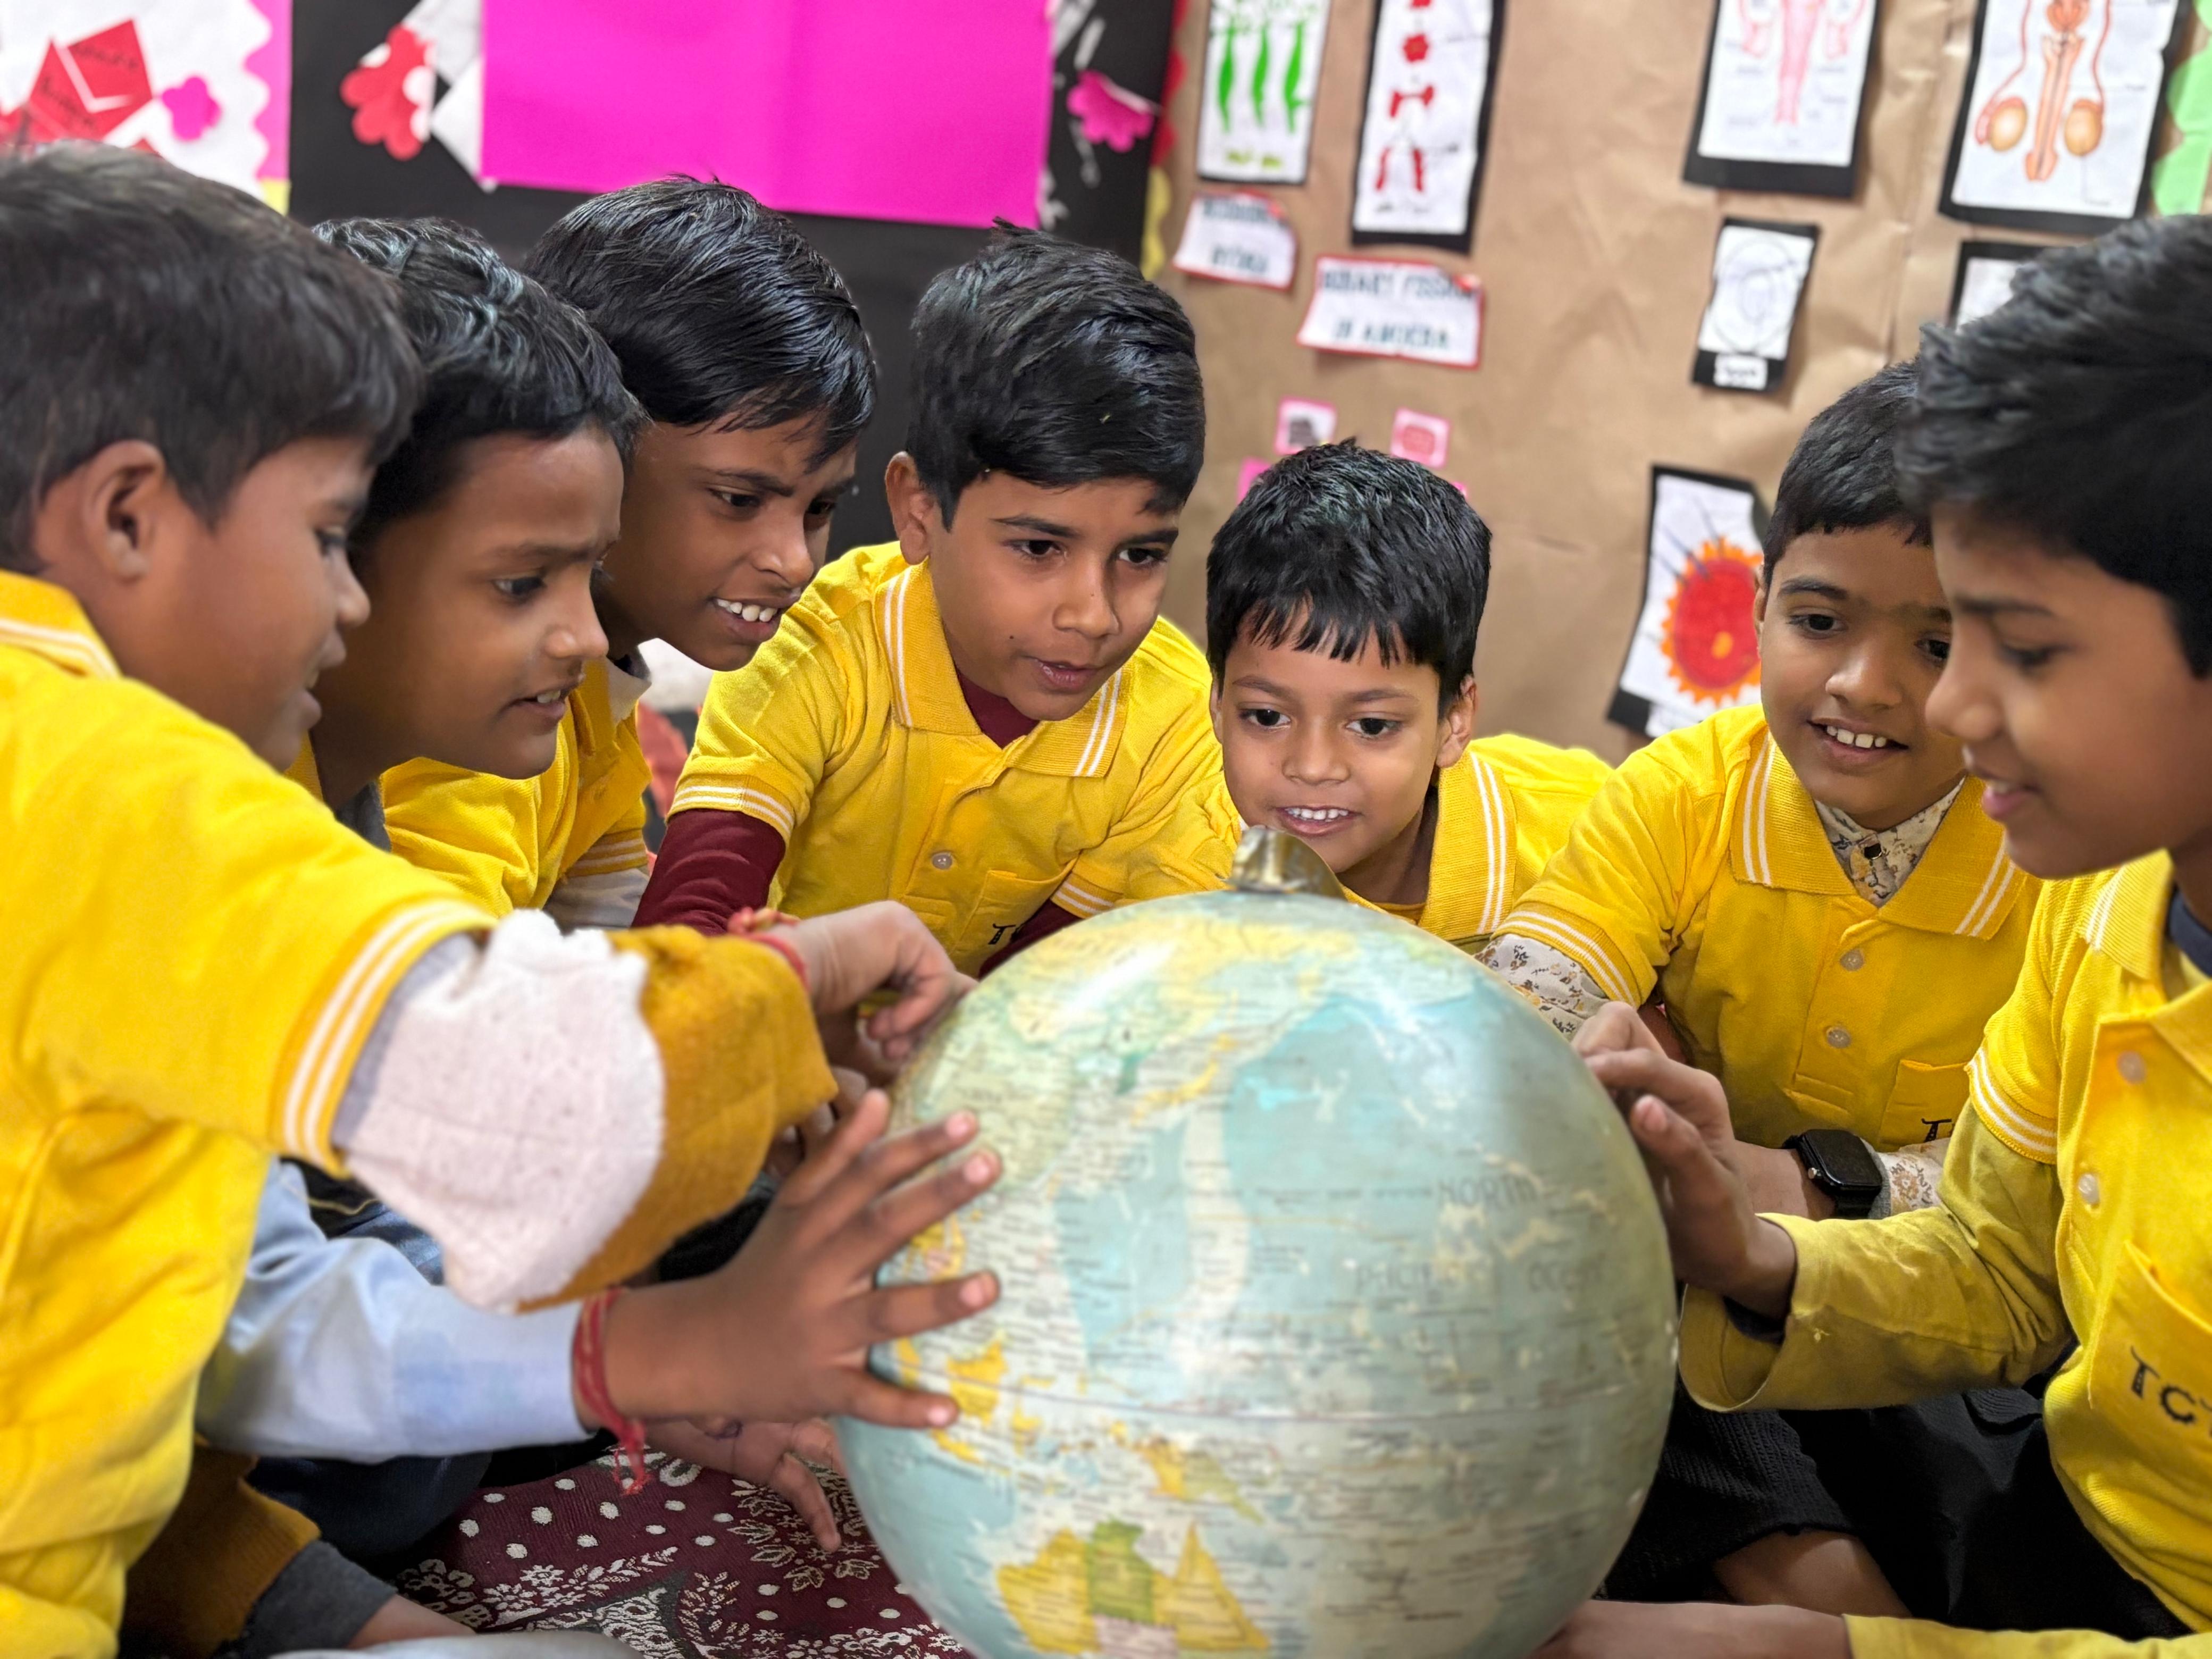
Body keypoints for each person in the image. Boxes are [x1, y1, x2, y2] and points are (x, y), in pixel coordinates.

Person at [0, 146, 994, 1658]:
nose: (338, 610)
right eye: (329, 536)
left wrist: (651, 1353)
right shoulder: (112, 780)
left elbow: (242, 1318)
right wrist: (801, 988)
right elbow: (531, 1110)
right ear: (127, 516)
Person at [1541, 215, 2212, 1658]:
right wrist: (1753, 1250)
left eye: (2015, 648)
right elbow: (2001, 1269)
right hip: (2062, 1544)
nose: (1949, 709)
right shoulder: (2110, 909)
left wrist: (1837, 1648)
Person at [1482, 363, 2042, 1613]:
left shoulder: (2059, 850)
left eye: (1937, 641)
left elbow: (2040, 1217)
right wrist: (1556, 1065)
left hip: (1958, 1343)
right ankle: (1804, 1573)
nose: (1863, 684)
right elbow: (1528, 986)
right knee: (1588, 1265)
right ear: (1759, 598)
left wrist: (1800, 1186)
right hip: (1721, 1310)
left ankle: (1814, 1589)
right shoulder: (1682, 790)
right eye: (1820, 619)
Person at [636, 227, 1232, 971]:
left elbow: (1064, 1002)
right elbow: (684, 943)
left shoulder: (1178, 724)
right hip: (776, 1042)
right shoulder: (815, 648)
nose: (1095, 614)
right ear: (919, 511)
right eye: (1040, 549)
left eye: (1140, 555)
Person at [374, 178, 877, 925]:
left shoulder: (594, 692)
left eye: (820, 509)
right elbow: (432, 983)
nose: (794, 561)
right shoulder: (483, 705)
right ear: (594, 449)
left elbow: (608, 923)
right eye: (739, 500)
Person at [1203, 441, 1608, 943]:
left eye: (1371, 726)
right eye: (1267, 717)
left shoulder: (1583, 842)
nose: (1312, 766)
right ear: (1218, 702)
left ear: (1454, 721)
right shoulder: (1182, 859)